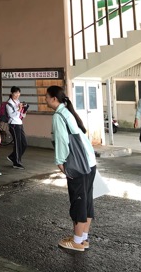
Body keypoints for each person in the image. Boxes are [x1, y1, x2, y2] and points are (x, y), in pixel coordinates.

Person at [46, 85, 96, 252]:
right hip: (89, 161)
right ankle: (82, 238)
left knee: (78, 201)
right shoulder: (67, 112)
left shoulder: (59, 115)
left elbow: (62, 140)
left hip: (78, 164)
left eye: (47, 97)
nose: (46, 100)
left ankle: (76, 242)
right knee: (86, 200)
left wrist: (60, 162)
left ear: (54, 98)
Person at [6, 86, 28, 169]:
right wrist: (19, 109)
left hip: (19, 123)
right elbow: (12, 115)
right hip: (13, 124)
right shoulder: (9, 103)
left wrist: (24, 109)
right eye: (15, 93)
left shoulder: (18, 101)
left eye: (18, 93)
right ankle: (16, 162)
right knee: (17, 143)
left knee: (24, 143)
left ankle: (12, 156)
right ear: (11, 93)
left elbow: (22, 115)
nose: (17, 95)